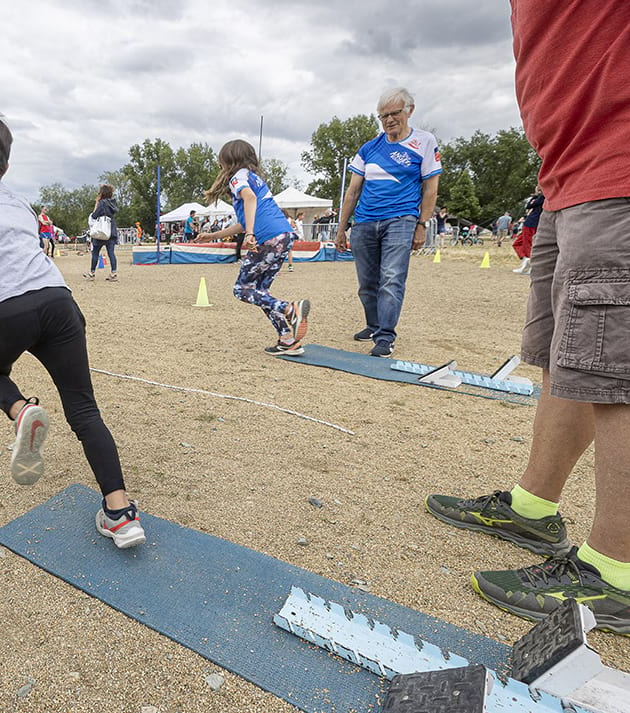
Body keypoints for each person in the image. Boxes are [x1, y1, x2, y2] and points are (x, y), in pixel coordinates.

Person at [426, 1, 630, 635]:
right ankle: (534, 506)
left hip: (615, 159)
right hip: (566, 174)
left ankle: (617, 569)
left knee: (617, 367)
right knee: (568, 355)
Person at [0, 111, 145, 549]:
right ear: (6, 165)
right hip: (59, 301)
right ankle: (120, 513)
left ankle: (21, 411)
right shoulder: (19, 202)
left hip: (10, 309)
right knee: (84, 410)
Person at [334, 87, 441, 358]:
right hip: (365, 221)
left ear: (409, 111)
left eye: (395, 113)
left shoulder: (425, 142)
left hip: (401, 219)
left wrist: (422, 224)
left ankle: (385, 337)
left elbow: (431, 188)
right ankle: (373, 325)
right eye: (383, 116)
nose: (389, 120)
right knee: (367, 283)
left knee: (391, 279)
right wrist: (341, 228)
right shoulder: (369, 148)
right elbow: (353, 191)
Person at [197, 139, 309, 355]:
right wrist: (213, 235)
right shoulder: (254, 178)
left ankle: (289, 308)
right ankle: (287, 340)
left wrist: (250, 234)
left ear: (229, 160)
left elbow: (248, 199)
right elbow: (243, 220)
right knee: (260, 291)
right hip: (283, 236)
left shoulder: (238, 177)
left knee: (241, 290)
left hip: (267, 237)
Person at [86, 184, 119, 282]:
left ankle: (92, 273)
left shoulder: (102, 203)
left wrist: (96, 203)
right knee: (111, 253)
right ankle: (113, 273)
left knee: (95, 253)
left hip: (100, 231)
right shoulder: (113, 203)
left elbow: (94, 215)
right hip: (111, 230)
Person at [512, 184, 544, 274]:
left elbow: (529, 205)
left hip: (532, 223)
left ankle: (529, 266)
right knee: (518, 243)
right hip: (531, 222)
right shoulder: (542, 198)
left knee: (527, 244)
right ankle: (525, 262)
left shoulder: (542, 198)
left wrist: (536, 194)